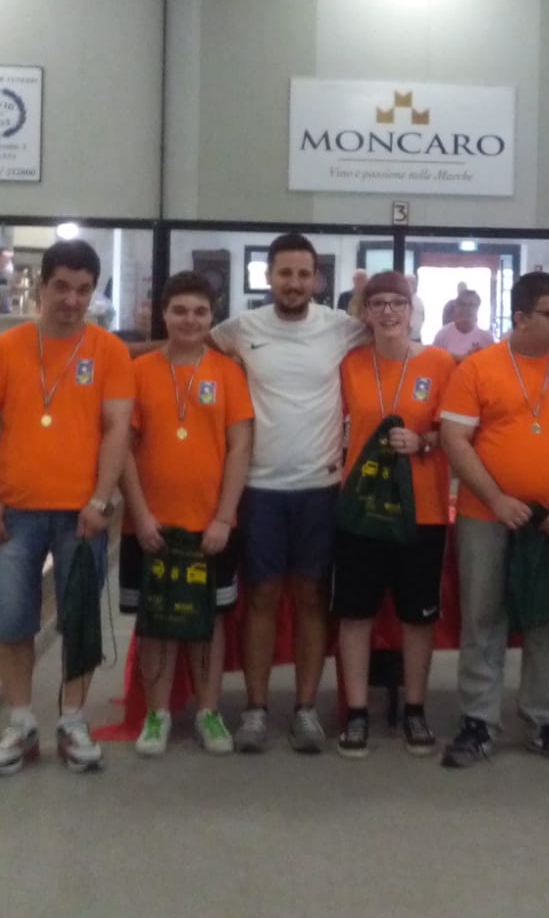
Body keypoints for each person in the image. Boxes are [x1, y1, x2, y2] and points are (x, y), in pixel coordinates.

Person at [0, 239, 134, 775]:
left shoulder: (109, 351)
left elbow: (117, 428)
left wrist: (102, 499)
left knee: (79, 620)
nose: (71, 299)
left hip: (83, 514)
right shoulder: (6, 348)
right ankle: (20, 721)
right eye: (61, 287)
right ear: (41, 287)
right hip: (15, 511)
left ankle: (73, 718)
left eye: (83, 289)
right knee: (11, 618)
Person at [438, 271, 549, 768]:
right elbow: (454, 440)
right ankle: (478, 721)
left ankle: (544, 720)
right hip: (487, 516)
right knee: (483, 617)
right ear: (520, 318)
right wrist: (495, 499)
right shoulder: (479, 368)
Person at [210, 232, 369, 755]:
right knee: (260, 599)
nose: (294, 283)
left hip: (320, 490)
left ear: (317, 280)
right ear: (269, 277)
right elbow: (184, 349)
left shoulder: (341, 327)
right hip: (259, 489)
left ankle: (305, 710)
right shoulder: (240, 329)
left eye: (303, 274)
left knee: (311, 600)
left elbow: (393, 333)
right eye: (285, 273)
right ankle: (256, 710)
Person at [120, 271, 253, 757]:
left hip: (210, 526)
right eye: (180, 311)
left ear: (212, 317)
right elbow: (124, 449)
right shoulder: (139, 372)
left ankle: (208, 711)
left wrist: (223, 517)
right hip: (150, 525)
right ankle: (157, 714)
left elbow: (240, 447)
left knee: (209, 622)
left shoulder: (228, 372)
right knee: (155, 621)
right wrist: (140, 515)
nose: (190, 320)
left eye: (199, 312)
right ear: (164, 315)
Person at [332, 272, 455, 758]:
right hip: (362, 509)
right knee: (356, 613)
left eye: (396, 303)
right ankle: (357, 713)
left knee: (417, 617)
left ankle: (415, 710)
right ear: (365, 312)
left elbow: (457, 433)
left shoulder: (439, 363)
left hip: (421, 510)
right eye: (378, 303)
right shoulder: (349, 364)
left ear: (411, 310)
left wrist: (423, 441)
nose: (387, 312)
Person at [432, 288, 494, 361]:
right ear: (456, 307)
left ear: (477, 308)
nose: (467, 309)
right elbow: (434, 361)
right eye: (463, 304)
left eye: (471, 305)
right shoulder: (443, 335)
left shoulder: (486, 338)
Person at [406, 273, 426, 340]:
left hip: (413, 338)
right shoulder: (402, 300)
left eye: (412, 283)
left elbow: (422, 318)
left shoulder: (417, 301)